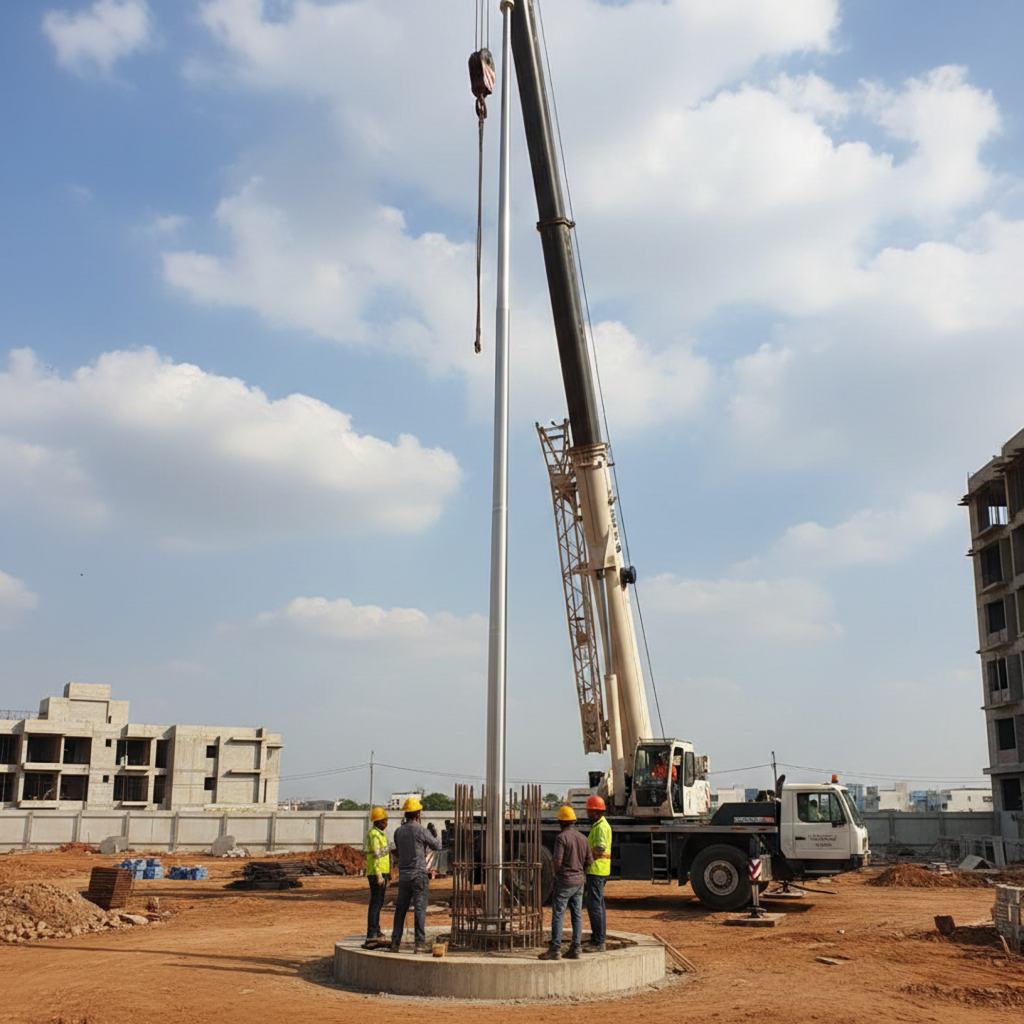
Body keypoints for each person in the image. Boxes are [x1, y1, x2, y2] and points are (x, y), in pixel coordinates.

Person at [539, 805, 592, 961]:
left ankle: (555, 949)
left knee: (558, 915)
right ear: (574, 821)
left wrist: (558, 873)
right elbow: (589, 860)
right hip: (579, 882)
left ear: (561, 822)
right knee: (577, 915)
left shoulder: (561, 838)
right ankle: (575, 948)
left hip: (565, 882)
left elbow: (557, 860)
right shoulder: (583, 838)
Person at [390, 796, 441, 954]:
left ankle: (395, 943)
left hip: (404, 875)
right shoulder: (420, 829)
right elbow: (437, 845)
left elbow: (399, 850)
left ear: (405, 814)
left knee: (400, 910)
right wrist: (435, 834)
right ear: (418, 813)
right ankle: (419, 944)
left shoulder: (398, 832)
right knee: (419, 909)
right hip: (418, 874)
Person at [584, 795, 611, 952]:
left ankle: (599, 941)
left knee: (595, 906)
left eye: (589, 811)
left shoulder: (601, 827)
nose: (587, 814)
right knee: (596, 904)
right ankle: (597, 938)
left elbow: (599, 849)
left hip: (597, 870)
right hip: (598, 870)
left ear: (595, 812)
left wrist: (584, 860)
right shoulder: (600, 825)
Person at [362, 807, 390, 946]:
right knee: (375, 902)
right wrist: (379, 875)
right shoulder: (374, 834)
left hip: (381, 872)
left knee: (378, 902)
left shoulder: (379, 833)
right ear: (378, 821)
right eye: (385, 820)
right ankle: (372, 932)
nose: (386, 823)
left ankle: (376, 929)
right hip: (375, 872)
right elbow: (375, 855)